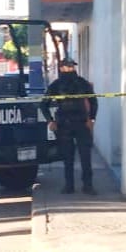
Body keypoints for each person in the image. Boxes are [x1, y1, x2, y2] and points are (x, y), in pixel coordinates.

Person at [40, 58, 99, 195]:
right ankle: (69, 185)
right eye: (67, 66)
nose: (70, 69)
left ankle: (88, 185)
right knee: (68, 157)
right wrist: (50, 121)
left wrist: (92, 119)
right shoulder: (56, 85)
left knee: (85, 156)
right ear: (61, 68)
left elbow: (93, 101)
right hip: (64, 124)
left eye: (72, 66)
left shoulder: (82, 83)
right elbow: (44, 104)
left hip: (81, 122)